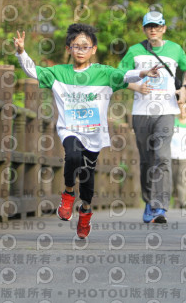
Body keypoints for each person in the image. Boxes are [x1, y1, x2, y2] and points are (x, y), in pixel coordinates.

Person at [13, 25, 160, 239]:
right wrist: (21, 52)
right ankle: (68, 193)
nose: (80, 50)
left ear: (93, 49)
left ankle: (85, 211)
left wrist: (144, 73)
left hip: (94, 134)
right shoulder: (58, 73)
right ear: (69, 49)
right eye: (76, 46)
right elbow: (33, 71)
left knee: (87, 175)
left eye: (85, 46)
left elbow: (125, 75)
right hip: (69, 129)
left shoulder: (104, 73)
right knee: (72, 155)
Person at [118, 11, 186, 223]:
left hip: (166, 111)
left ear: (163, 28)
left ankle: (160, 207)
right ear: (144, 29)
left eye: (157, 26)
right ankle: (148, 200)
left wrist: (185, 89)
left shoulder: (175, 49)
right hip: (141, 112)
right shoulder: (134, 51)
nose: (153, 29)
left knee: (162, 157)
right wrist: (136, 85)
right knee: (146, 160)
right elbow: (119, 75)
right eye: (149, 26)